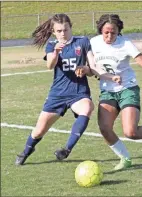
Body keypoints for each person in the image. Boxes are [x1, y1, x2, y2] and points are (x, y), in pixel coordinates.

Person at [15, 13, 121, 166]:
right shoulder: (52, 45)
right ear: (53, 32)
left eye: (65, 30)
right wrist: (57, 52)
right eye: (59, 31)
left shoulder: (83, 42)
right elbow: (50, 65)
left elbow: (93, 68)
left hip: (78, 92)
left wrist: (87, 69)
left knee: (87, 107)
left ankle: (66, 149)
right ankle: (27, 150)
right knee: (39, 131)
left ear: (71, 28)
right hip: (57, 95)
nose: (63, 34)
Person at [90, 14, 142, 171]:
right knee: (105, 128)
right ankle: (125, 158)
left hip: (128, 89)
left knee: (130, 132)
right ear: (100, 30)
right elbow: (89, 65)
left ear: (118, 31)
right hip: (107, 92)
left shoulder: (126, 44)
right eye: (106, 32)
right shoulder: (93, 43)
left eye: (113, 32)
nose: (109, 35)